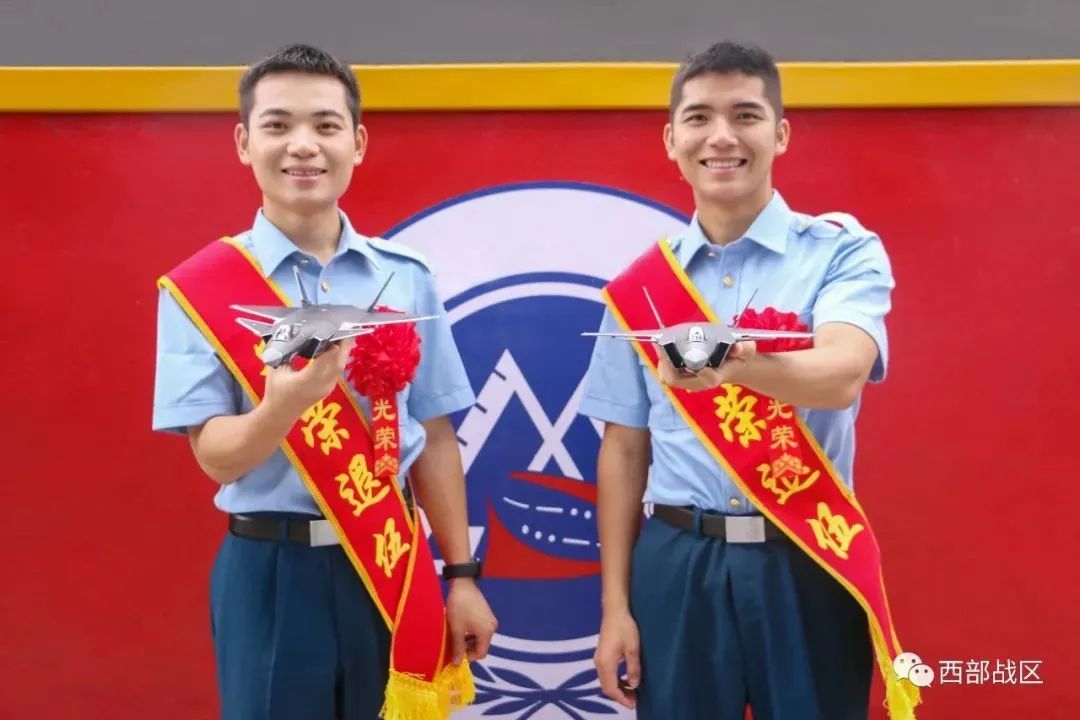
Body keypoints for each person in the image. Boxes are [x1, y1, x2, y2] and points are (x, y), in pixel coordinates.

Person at [152, 43, 496, 720]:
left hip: (390, 565)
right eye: (278, 126)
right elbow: (215, 456)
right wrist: (280, 410)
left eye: (326, 125)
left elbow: (434, 435)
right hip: (271, 570)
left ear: (357, 143)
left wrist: (460, 576)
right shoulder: (200, 288)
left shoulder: (406, 277)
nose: (303, 145)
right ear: (244, 143)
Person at [580, 41, 917, 720]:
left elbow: (843, 373)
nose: (722, 137)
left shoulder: (840, 252)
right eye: (699, 118)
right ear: (672, 140)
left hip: (805, 553)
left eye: (746, 115)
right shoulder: (641, 290)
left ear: (780, 133)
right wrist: (615, 607)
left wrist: (739, 366)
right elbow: (623, 449)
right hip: (678, 560)